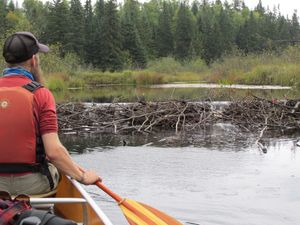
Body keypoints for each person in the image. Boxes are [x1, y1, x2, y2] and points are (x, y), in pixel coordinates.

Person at [0, 32, 100, 196]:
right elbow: (53, 152)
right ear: (33, 59)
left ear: (7, 61)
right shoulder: (41, 94)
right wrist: (82, 176)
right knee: (56, 168)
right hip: (31, 187)